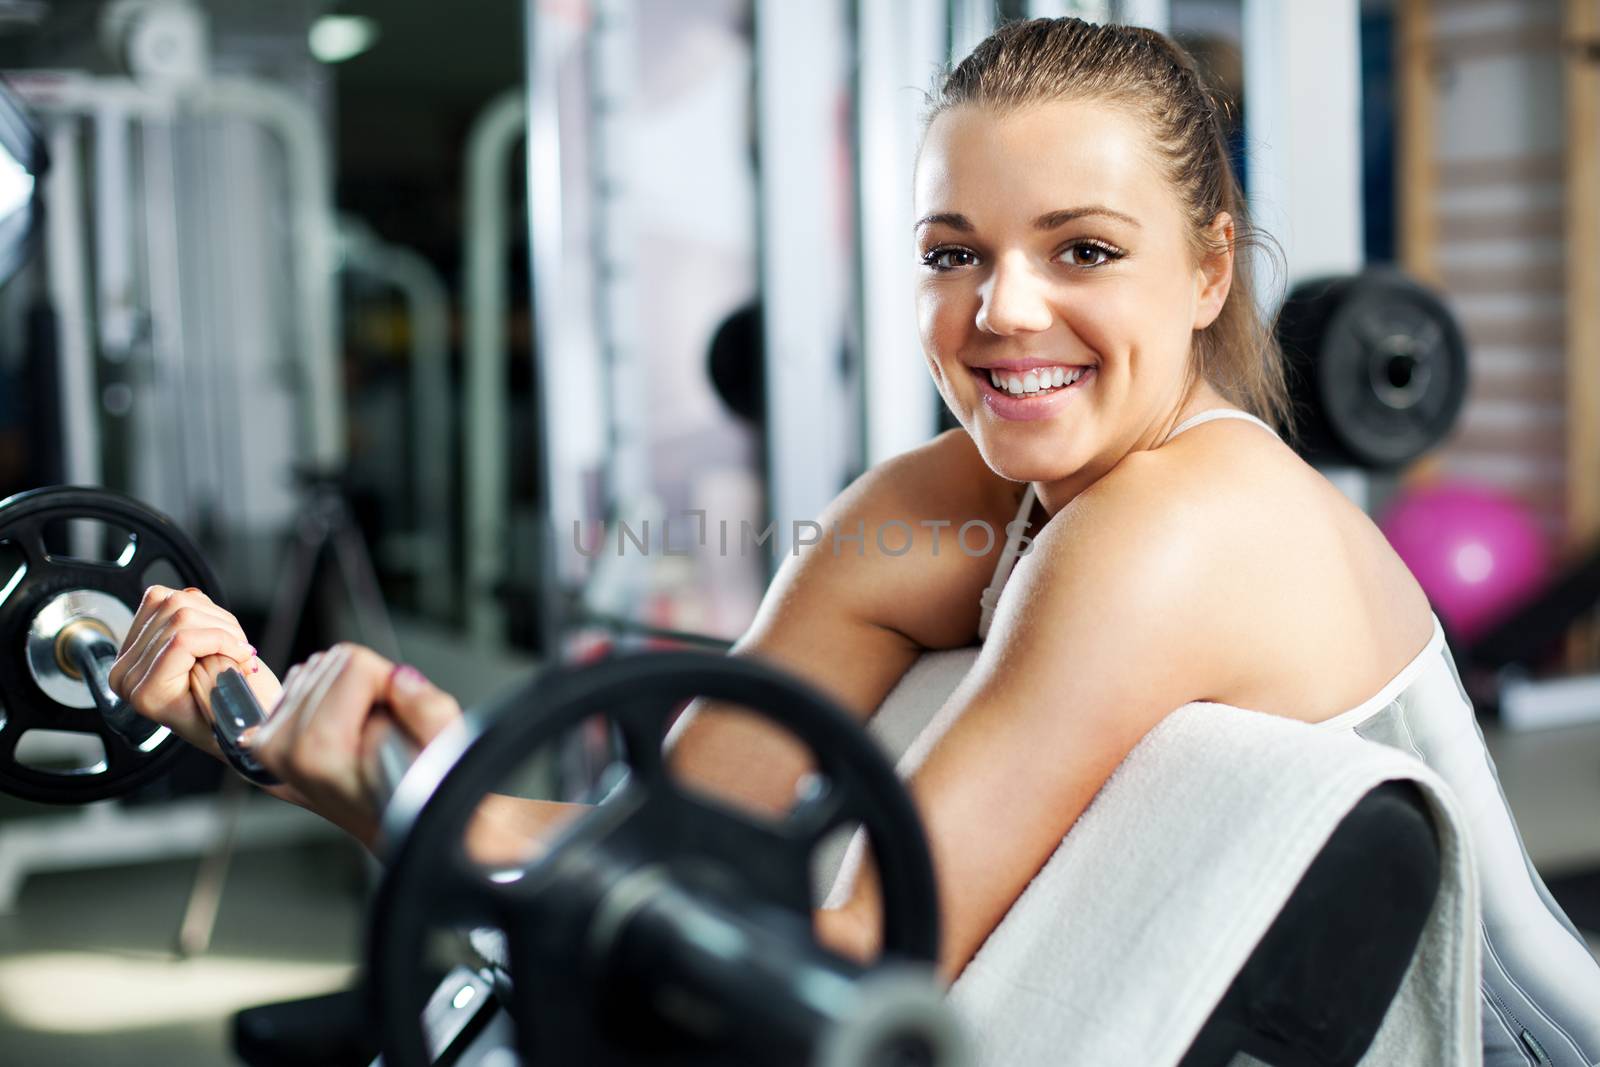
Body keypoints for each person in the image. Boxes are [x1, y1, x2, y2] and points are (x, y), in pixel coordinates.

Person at [109, 17, 1599, 1065]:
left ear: (1210, 268)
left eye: (1083, 250)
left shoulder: (1178, 528)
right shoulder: (927, 509)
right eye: (955, 254)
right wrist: (309, 745)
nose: (1003, 311)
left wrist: (411, 802)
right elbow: (686, 874)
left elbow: (841, 962)